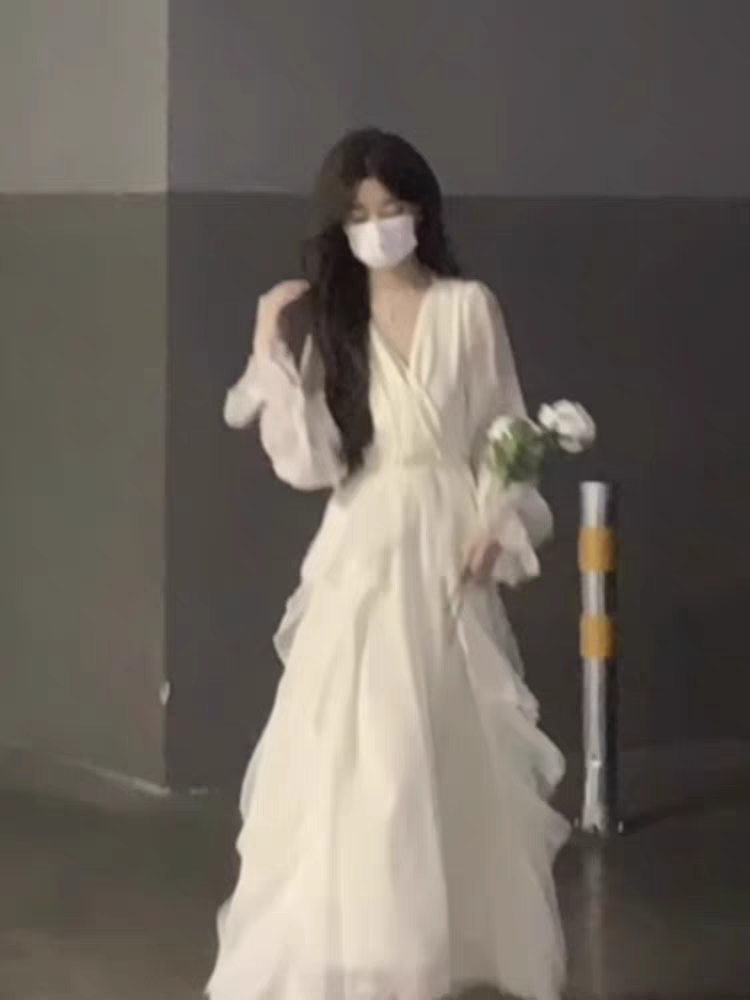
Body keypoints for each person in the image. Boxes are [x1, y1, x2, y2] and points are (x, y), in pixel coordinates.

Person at [208, 128, 569, 1000]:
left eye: (394, 208)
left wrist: (497, 517)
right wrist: (269, 344)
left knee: (445, 749)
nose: (379, 228)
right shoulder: (339, 327)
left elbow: (504, 427)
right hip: (364, 551)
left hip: (446, 547)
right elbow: (313, 464)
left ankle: (441, 951)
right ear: (342, 227)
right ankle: (369, 958)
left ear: (420, 211)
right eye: (362, 214)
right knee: (364, 753)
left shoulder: (468, 308)